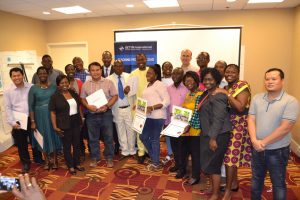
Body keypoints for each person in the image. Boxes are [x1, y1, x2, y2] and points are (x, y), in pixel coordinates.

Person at [248, 68, 299, 200]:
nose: (269, 81)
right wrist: (254, 140)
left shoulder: (290, 101)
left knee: (278, 184)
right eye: (267, 79)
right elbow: (251, 119)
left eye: (274, 79)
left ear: (282, 81)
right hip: (257, 148)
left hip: (278, 151)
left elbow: (285, 128)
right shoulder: (257, 98)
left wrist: (263, 143)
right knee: (256, 181)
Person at [215, 64, 252, 200]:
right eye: (227, 71)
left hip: (239, 124)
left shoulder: (242, 85)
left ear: (238, 73)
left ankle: (229, 191)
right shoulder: (226, 87)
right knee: (230, 156)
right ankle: (234, 183)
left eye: (233, 71)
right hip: (228, 124)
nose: (230, 73)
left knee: (231, 157)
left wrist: (226, 94)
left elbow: (240, 107)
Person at [198, 68, 232, 200]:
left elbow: (219, 119)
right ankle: (214, 188)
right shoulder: (206, 94)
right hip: (208, 133)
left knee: (214, 165)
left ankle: (215, 194)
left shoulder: (219, 95)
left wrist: (213, 138)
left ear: (216, 80)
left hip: (218, 135)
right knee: (209, 163)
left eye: (210, 79)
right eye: (205, 79)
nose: (207, 82)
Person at [3, 68, 44, 173]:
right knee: (21, 143)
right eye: (14, 76)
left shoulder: (31, 87)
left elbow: (36, 102)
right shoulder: (8, 91)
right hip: (18, 120)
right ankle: (25, 162)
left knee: (35, 140)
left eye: (18, 75)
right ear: (11, 77)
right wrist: (12, 122)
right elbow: (7, 107)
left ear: (22, 76)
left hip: (32, 118)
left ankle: (38, 158)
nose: (16, 78)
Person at [81, 62, 118, 168]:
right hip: (91, 115)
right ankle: (95, 157)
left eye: (97, 70)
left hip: (106, 114)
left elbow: (115, 96)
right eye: (93, 70)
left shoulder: (109, 82)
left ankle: (109, 157)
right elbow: (82, 98)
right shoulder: (86, 84)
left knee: (109, 137)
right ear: (89, 71)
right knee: (93, 138)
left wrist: (107, 106)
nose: (95, 72)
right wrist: (88, 106)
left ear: (101, 70)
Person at [49, 75, 85, 175]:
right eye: (62, 83)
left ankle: (77, 163)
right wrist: (55, 126)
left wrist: (82, 119)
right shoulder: (54, 97)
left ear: (68, 83)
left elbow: (78, 107)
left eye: (66, 82)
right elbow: (53, 112)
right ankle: (71, 166)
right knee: (67, 146)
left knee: (77, 144)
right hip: (64, 123)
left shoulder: (73, 93)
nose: (64, 84)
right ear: (58, 85)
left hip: (76, 121)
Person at [29, 67, 62, 170]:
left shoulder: (53, 87)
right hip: (39, 117)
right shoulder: (33, 88)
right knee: (42, 138)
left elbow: (59, 101)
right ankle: (47, 160)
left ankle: (55, 160)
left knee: (53, 137)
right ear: (37, 75)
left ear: (47, 74)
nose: (42, 74)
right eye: (40, 73)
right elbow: (31, 106)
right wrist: (33, 121)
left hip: (52, 116)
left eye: (44, 73)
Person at [140, 64, 170, 171]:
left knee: (154, 139)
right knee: (143, 137)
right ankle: (155, 158)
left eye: (150, 73)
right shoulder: (147, 85)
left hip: (158, 117)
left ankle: (156, 163)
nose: (147, 74)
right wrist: (139, 106)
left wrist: (152, 107)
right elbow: (146, 101)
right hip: (147, 116)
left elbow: (166, 101)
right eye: (147, 72)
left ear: (156, 75)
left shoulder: (159, 85)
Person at [107, 60, 136, 158]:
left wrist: (129, 92)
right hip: (116, 108)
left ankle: (132, 150)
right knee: (120, 131)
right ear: (113, 67)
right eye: (116, 66)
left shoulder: (130, 76)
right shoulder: (108, 79)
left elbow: (135, 92)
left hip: (129, 107)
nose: (118, 68)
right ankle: (124, 151)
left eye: (120, 66)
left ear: (123, 67)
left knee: (131, 130)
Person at [178, 71, 203, 185]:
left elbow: (198, 113)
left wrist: (189, 125)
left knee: (195, 153)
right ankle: (184, 171)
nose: (188, 83)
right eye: (186, 81)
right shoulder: (189, 94)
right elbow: (185, 111)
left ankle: (195, 176)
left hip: (195, 129)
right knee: (184, 151)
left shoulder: (201, 95)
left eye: (190, 80)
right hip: (185, 129)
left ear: (196, 81)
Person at [126, 53, 149, 164]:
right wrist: (127, 91)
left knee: (150, 131)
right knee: (139, 131)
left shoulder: (151, 71)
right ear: (136, 61)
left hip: (151, 107)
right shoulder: (133, 74)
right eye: (138, 59)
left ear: (146, 59)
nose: (140, 61)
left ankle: (148, 150)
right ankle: (141, 152)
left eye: (142, 59)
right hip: (138, 106)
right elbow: (130, 92)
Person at [166, 68, 189, 173]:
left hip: (181, 122)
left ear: (183, 76)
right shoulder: (168, 88)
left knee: (182, 147)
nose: (175, 75)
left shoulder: (186, 89)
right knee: (174, 146)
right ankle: (177, 164)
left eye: (178, 74)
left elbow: (188, 107)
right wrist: (166, 122)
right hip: (170, 122)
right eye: (174, 73)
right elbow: (167, 106)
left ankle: (182, 168)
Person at [101, 51, 120, 155]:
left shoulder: (117, 69)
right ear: (102, 58)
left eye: (109, 58)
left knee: (115, 126)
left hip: (115, 102)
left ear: (111, 58)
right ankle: (107, 146)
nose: (107, 60)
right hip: (102, 105)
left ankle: (116, 145)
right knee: (105, 128)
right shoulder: (98, 70)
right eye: (105, 58)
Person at [161, 61, 174, 164]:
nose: (168, 69)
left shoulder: (176, 80)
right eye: (165, 67)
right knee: (166, 131)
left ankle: (176, 152)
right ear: (162, 69)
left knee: (175, 131)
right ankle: (170, 152)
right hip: (163, 109)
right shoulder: (159, 81)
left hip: (173, 109)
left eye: (170, 67)